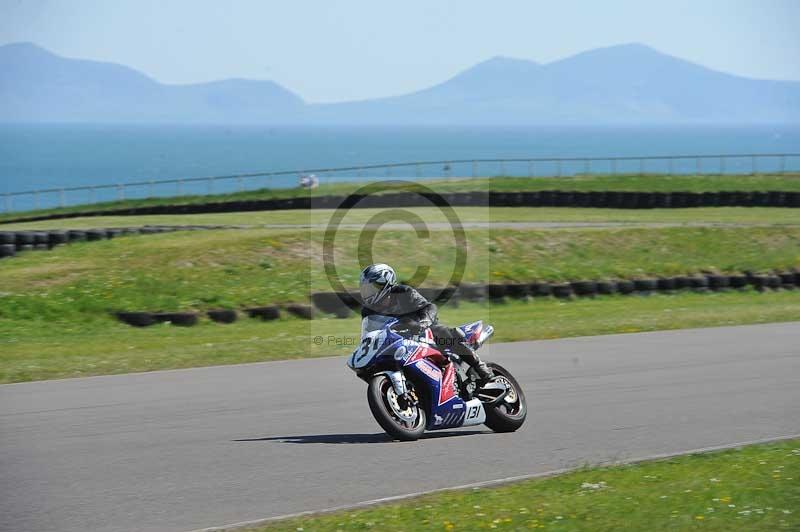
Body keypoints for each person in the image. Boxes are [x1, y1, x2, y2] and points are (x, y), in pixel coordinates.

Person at [359, 263, 494, 381]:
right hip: (398, 339)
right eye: (365, 289)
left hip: (422, 329)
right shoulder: (368, 310)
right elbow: (371, 331)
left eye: (372, 288)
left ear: (385, 283)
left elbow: (428, 307)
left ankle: (478, 366)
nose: (367, 292)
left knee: (442, 332)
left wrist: (425, 322)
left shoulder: (403, 292)